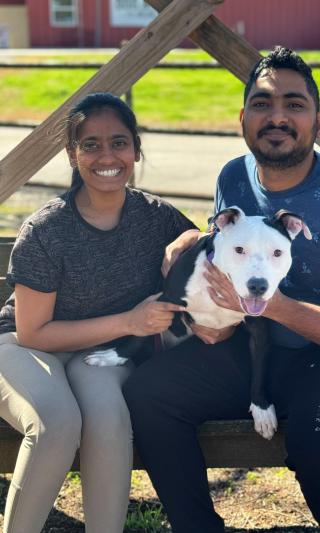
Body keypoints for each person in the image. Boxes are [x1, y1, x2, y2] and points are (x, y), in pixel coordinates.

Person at [122, 46, 320, 533]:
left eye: (294, 105)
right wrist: (195, 242)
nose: (277, 117)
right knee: (149, 394)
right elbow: (223, 248)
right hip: (258, 349)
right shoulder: (233, 176)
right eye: (262, 103)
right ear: (242, 119)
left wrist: (276, 307)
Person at [0, 92, 197, 533]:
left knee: (108, 417)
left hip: (103, 354)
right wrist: (130, 322)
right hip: (24, 346)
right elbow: (34, 333)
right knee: (57, 423)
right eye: (90, 144)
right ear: (72, 155)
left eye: (119, 142)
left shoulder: (156, 217)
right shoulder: (47, 230)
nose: (106, 155)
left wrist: (189, 239)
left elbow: (203, 239)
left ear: (136, 149)